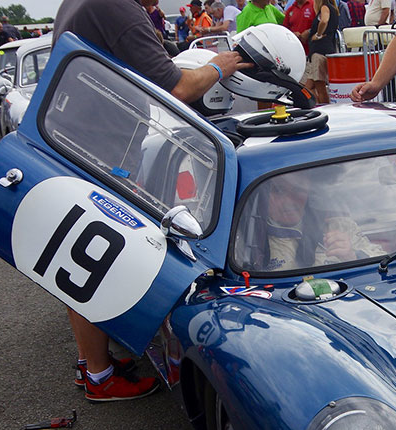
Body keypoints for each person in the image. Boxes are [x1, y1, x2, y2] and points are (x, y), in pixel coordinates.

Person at [51, 0, 251, 401]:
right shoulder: (116, 7)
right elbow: (179, 87)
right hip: (98, 153)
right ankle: (100, 377)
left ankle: (91, 362)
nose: (158, 3)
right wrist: (219, 67)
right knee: (95, 260)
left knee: (84, 256)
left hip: (74, 143)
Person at [241, 172, 378, 272]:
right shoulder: (247, 235)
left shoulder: (341, 227)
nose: (289, 201)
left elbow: (383, 264)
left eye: (298, 190)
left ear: (309, 192)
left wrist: (352, 256)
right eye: (279, 191)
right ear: (263, 196)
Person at [303, 0, 340, 103]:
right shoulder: (333, 9)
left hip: (319, 51)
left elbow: (324, 20)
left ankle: (323, 106)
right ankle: (317, 105)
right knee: (308, 87)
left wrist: (318, 34)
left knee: (320, 87)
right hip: (326, 49)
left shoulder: (325, 7)